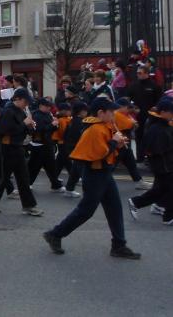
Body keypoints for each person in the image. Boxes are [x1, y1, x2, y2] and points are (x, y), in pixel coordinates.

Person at [43, 97, 141, 259]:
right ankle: (55, 234)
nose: (114, 115)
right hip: (95, 174)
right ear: (101, 113)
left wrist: (118, 144)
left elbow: (108, 154)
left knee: (114, 208)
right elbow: (99, 154)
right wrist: (113, 143)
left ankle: (119, 244)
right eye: (111, 112)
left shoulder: (103, 125)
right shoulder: (95, 129)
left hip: (103, 173)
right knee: (86, 211)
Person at [0, 88, 43, 216]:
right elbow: (4, 131)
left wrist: (30, 127)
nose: (27, 104)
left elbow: (22, 129)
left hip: (17, 146)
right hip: (8, 148)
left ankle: (28, 205)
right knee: (4, 177)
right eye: (25, 101)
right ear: (18, 99)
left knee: (23, 178)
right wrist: (24, 124)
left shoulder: (19, 111)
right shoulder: (8, 111)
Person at [127, 98, 173, 226]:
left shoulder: (162, 125)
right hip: (163, 165)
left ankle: (137, 202)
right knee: (167, 189)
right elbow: (154, 149)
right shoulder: (157, 128)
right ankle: (168, 216)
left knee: (162, 189)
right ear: (163, 112)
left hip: (165, 164)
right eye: (171, 112)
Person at [28, 98, 65, 192]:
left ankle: (55, 185)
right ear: (41, 106)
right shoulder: (36, 115)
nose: (49, 108)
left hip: (47, 143)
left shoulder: (47, 114)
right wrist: (52, 125)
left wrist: (54, 125)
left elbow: (50, 128)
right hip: (39, 144)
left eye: (50, 106)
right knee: (34, 166)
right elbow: (39, 129)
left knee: (51, 165)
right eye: (47, 106)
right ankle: (27, 183)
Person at [128, 66, 163, 162]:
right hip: (138, 116)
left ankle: (150, 157)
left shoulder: (154, 86)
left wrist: (156, 108)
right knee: (138, 136)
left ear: (146, 73)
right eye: (137, 73)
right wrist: (132, 108)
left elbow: (159, 101)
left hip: (151, 117)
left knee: (150, 137)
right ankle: (140, 157)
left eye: (140, 73)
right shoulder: (133, 85)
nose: (138, 74)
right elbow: (127, 100)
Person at [113, 98, 149, 189]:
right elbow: (131, 124)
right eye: (127, 107)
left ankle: (138, 181)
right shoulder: (117, 114)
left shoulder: (125, 114)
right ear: (121, 106)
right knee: (114, 163)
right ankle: (101, 180)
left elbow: (135, 123)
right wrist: (133, 123)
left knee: (130, 162)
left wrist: (133, 123)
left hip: (124, 140)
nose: (128, 109)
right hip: (120, 140)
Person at [62, 101, 89, 198]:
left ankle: (69, 189)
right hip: (77, 148)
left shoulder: (73, 121)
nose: (86, 112)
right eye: (85, 110)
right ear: (80, 112)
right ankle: (90, 191)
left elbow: (65, 135)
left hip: (72, 147)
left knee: (75, 170)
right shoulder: (80, 122)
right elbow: (80, 136)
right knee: (82, 170)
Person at [53, 103, 72, 179]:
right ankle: (73, 175)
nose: (70, 112)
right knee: (66, 159)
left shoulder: (65, 119)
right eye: (68, 110)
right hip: (62, 141)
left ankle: (55, 176)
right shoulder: (62, 120)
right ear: (64, 111)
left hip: (63, 141)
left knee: (61, 160)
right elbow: (63, 132)